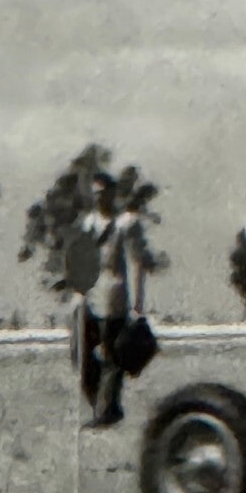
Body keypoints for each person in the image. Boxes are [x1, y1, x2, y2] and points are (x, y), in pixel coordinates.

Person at [76, 172, 150, 429]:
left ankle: (105, 412)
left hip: (113, 296)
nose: (99, 198)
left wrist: (138, 305)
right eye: (95, 193)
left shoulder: (125, 224)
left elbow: (137, 263)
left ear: (112, 193)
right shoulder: (89, 222)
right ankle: (104, 406)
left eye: (103, 192)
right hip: (91, 295)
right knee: (83, 356)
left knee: (111, 357)